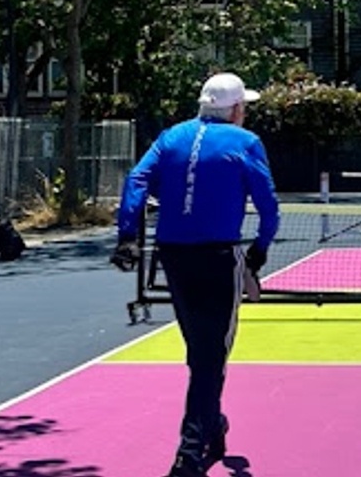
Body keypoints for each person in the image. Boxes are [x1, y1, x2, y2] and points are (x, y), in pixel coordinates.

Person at [111, 72, 280, 477]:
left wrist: (126, 236)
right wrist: (258, 252)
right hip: (219, 257)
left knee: (200, 353)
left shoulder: (171, 137)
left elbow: (137, 179)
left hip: (174, 257)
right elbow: (269, 204)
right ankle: (189, 454)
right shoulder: (246, 142)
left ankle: (213, 424)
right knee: (211, 357)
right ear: (236, 109)